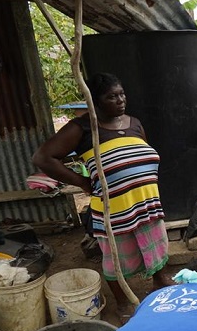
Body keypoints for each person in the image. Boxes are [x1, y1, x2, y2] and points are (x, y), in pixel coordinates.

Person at [33, 72, 168, 318]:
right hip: (114, 206)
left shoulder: (134, 123)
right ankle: (123, 301)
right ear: (94, 101)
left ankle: (160, 280)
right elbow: (43, 157)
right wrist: (83, 182)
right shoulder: (83, 128)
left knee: (154, 243)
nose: (120, 100)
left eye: (122, 94)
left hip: (146, 199)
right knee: (117, 254)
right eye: (111, 97)